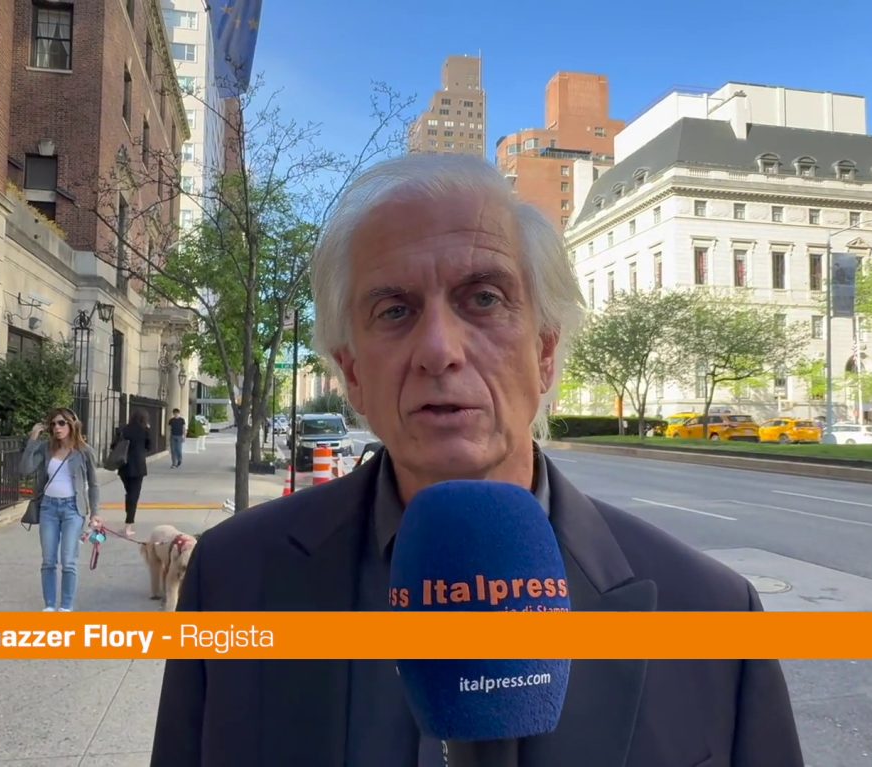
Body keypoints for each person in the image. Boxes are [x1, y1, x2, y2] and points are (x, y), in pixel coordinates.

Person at [149, 154, 803, 765]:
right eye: (395, 310)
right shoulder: (231, 581)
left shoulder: (716, 616)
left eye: (483, 298)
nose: (439, 349)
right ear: (352, 374)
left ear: (544, 352)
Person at [20, 407, 100, 612]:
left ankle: (65, 607)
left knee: (68, 561)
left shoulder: (84, 451)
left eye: (62, 423)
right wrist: (33, 440)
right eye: (53, 424)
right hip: (48, 508)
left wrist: (95, 513)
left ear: (72, 425)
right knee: (48, 560)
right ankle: (49, 606)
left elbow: (94, 484)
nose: (57, 427)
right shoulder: (46, 448)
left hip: (73, 509)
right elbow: (25, 469)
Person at [116, 408, 155, 537]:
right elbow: (150, 447)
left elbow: (113, 446)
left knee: (129, 494)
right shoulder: (144, 430)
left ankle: (127, 523)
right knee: (133, 496)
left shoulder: (123, 429)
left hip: (124, 466)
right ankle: (128, 525)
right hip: (138, 467)